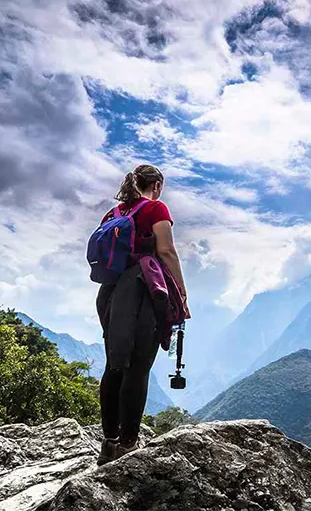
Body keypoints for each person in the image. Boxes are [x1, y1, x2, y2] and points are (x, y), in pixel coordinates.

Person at [95, 164, 189, 465]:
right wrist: (181, 291)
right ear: (157, 185)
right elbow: (166, 251)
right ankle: (128, 444)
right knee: (138, 368)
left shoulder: (113, 214)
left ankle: (108, 443)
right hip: (141, 292)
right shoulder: (156, 208)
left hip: (110, 295)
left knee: (114, 365)